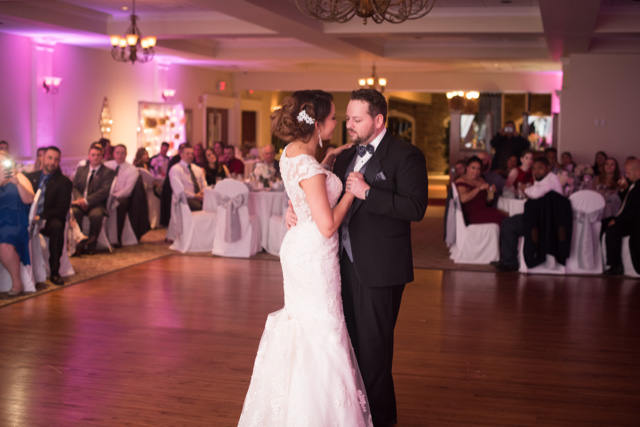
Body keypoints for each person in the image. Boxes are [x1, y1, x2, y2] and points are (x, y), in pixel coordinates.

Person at [285, 89, 429, 425]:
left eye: (356, 119)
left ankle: (377, 420)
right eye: (346, 118)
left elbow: (416, 208)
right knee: (347, 349)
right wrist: (294, 210)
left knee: (375, 353)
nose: (348, 124)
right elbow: (318, 190)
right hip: (338, 267)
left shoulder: (406, 155)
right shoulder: (344, 154)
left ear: (378, 120)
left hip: (380, 268)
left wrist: (368, 193)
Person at [239, 89, 372, 426]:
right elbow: (327, 225)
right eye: (331, 119)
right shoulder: (310, 167)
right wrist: (351, 194)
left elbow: (304, 186)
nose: (336, 123)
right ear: (316, 124)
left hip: (299, 246)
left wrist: (326, 166)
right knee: (324, 329)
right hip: (315, 252)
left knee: (307, 326)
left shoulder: (290, 153)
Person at [494, 157, 564, 272]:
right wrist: (528, 190)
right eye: (534, 169)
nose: (536, 171)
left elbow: (535, 193)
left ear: (548, 168)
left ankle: (510, 262)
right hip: (540, 218)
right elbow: (533, 192)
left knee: (508, 225)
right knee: (507, 222)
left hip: (545, 223)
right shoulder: (544, 179)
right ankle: (508, 259)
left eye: (540, 168)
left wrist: (525, 189)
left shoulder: (551, 180)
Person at [24, 146, 72, 286]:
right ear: (42, 158)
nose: (52, 162)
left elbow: (61, 209)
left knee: (57, 226)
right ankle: (23, 272)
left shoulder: (64, 182)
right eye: (50, 158)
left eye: (56, 159)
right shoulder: (30, 178)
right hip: (29, 219)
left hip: (49, 220)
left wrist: (41, 216)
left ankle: (55, 272)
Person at [0, 149, 35, 296]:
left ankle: (17, 283)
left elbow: (29, 199)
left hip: (15, 222)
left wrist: (17, 183)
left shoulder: (19, 176)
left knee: (4, 243)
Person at [71, 143, 116, 255]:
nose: (95, 157)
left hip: (97, 204)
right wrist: (80, 199)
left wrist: (87, 201)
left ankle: (92, 244)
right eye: (93, 155)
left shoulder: (108, 172)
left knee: (96, 216)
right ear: (89, 156)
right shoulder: (81, 170)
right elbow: (74, 187)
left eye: (98, 155)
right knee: (74, 212)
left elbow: (103, 192)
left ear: (102, 157)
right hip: (80, 203)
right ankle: (78, 244)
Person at [603, 159, 640, 276]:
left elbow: (634, 211)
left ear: (638, 172)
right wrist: (623, 189)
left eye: (628, 173)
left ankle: (616, 265)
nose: (627, 175)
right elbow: (627, 201)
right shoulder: (634, 184)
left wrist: (617, 220)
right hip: (627, 218)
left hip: (634, 223)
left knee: (612, 231)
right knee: (603, 223)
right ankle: (601, 261)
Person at [104, 144, 139, 248]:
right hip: (106, 195)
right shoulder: (107, 165)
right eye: (117, 153)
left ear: (126, 154)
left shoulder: (132, 170)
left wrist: (114, 196)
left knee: (121, 204)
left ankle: (117, 238)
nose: (120, 155)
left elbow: (127, 190)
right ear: (113, 154)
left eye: (122, 153)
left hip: (121, 197)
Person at [455, 156, 506, 225]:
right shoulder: (461, 181)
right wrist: (479, 188)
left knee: (505, 217)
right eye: (473, 168)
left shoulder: (481, 180)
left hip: (485, 210)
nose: (476, 172)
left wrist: (491, 192)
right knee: (502, 220)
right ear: (467, 168)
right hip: (471, 214)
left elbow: (488, 201)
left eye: (478, 169)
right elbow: (463, 199)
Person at [168, 144, 206, 211]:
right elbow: (178, 190)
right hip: (185, 200)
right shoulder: (175, 169)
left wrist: (203, 193)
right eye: (187, 154)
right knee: (199, 207)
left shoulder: (197, 169)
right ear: (181, 154)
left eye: (192, 154)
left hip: (200, 198)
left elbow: (204, 184)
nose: (190, 156)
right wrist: (195, 196)